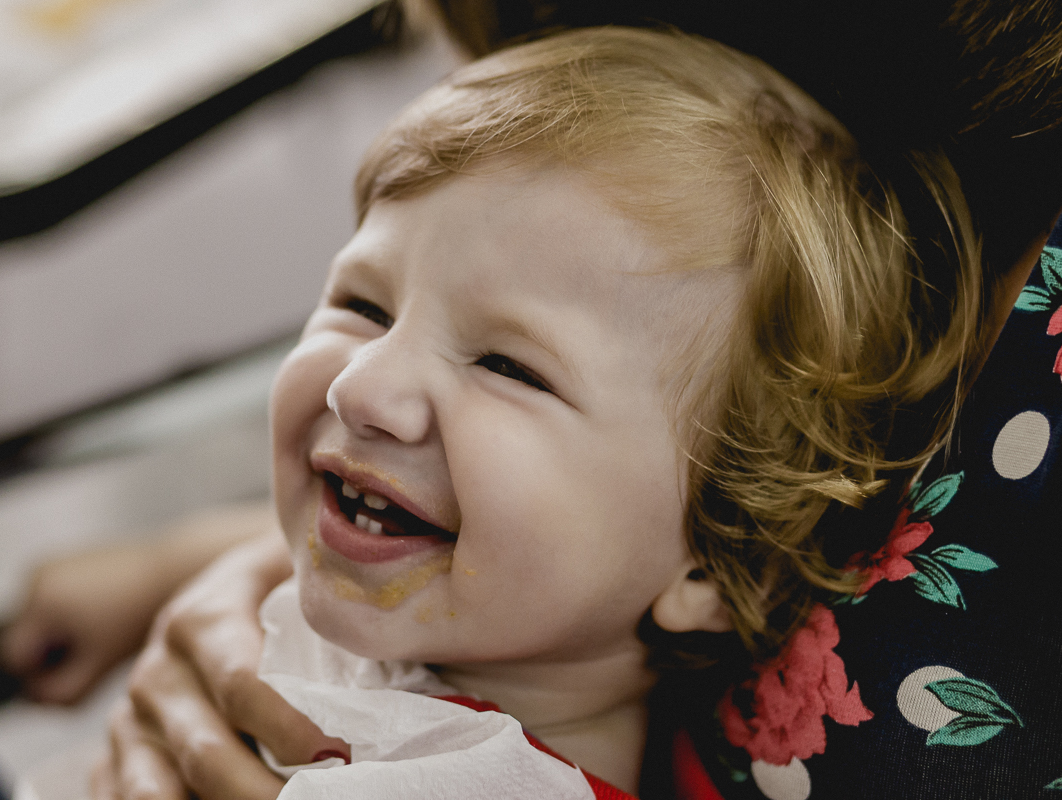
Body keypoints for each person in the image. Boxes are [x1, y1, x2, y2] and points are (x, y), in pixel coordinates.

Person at [64, 23, 980, 798]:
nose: (361, 389)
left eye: (509, 366)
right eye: (364, 306)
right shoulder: (473, 601)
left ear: (717, 552)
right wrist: (156, 569)